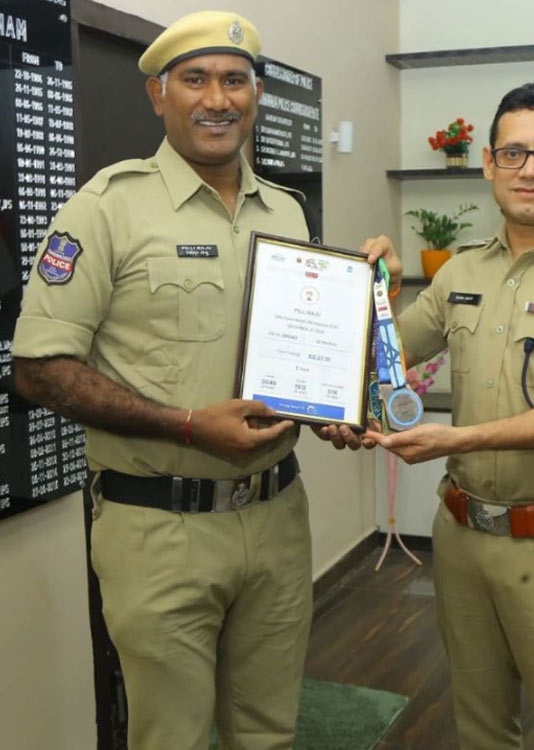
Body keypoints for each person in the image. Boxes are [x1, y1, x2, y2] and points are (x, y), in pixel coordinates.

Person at [11, 13, 399, 749]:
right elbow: (40, 369)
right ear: (159, 96)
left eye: (234, 80)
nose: (216, 98)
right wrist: (187, 425)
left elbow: (290, 356)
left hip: (277, 517)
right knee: (173, 738)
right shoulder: (105, 207)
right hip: (158, 527)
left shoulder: (285, 209)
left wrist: (330, 412)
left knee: (268, 732)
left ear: (254, 95)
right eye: (195, 80)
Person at [320, 82, 534, 749]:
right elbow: (381, 358)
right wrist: (370, 296)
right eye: (514, 153)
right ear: (488, 162)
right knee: (478, 726)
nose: (530, 169)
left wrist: (459, 436)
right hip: (462, 536)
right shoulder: (460, 271)